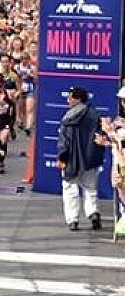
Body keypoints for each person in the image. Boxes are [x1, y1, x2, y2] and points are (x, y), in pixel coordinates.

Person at [57, 86, 106, 231]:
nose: (67, 100)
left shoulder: (68, 117)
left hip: (71, 158)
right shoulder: (95, 114)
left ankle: (73, 220)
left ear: (77, 99)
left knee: (70, 187)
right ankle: (93, 212)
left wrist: (62, 157)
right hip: (90, 157)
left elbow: (64, 140)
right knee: (90, 187)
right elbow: (100, 136)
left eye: (70, 97)